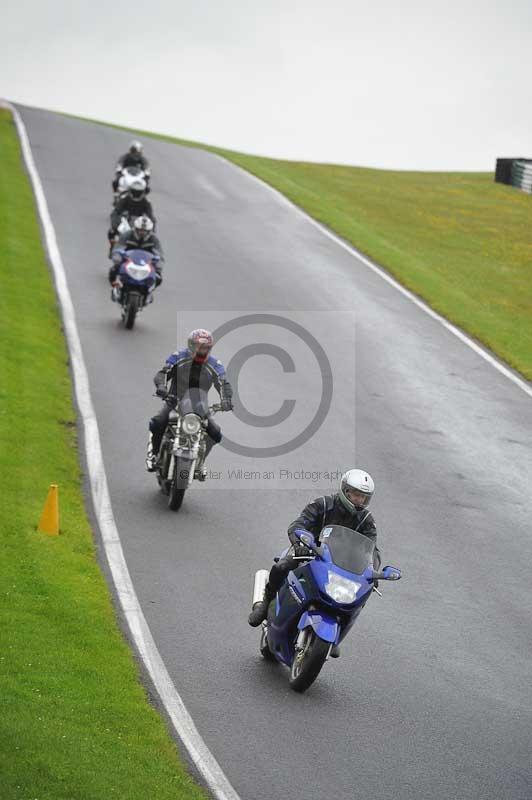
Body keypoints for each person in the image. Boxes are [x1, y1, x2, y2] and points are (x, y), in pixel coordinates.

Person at [248, 469, 382, 656]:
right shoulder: (323, 504)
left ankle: (338, 632)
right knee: (282, 567)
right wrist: (300, 542)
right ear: (345, 490)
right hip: (309, 551)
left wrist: (373, 571)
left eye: (363, 497)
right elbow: (298, 525)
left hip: (342, 565)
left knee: (363, 592)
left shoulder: (367, 520)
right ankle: (265, 605)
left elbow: (372, 549)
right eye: (356, 495)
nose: (359, 500)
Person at [146, 329, 234, 476]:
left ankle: (200, 462)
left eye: (206, 348)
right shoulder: (178, 356)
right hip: (174, 401)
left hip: (200, 406)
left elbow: (223, 383)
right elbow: (163, 373)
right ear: (191, 346)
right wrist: (161, 387)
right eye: (199, 347)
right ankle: (153, 454)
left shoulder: (215, 364)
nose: (202, 351)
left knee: (215, 433)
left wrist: (226, 400)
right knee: (158, 421)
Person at [108, 215, 164, 286]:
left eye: (144, 231)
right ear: (135, 228)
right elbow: (118, 247)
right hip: (128, 260)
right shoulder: (127, 235)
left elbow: (159, 254)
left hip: (145, 263)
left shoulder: (154, 239)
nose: (142, 233)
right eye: (140, 230)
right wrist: (117, 260)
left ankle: (149, 290)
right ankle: (115, 287)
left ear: (149, 231)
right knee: (113, 270)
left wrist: (158, 268)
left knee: (158, 278)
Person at [108, 179, 155, 254]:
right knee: (111, 232)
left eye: (138, 192)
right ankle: (113, 247)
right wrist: (116, 224)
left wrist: (152, 227)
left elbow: (151, 216)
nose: (136, 194)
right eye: (135, 192)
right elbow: (116, 212)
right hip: (126, 222)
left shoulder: (146, 203)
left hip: (139, 223)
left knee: (149, 239)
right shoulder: (124, 200)